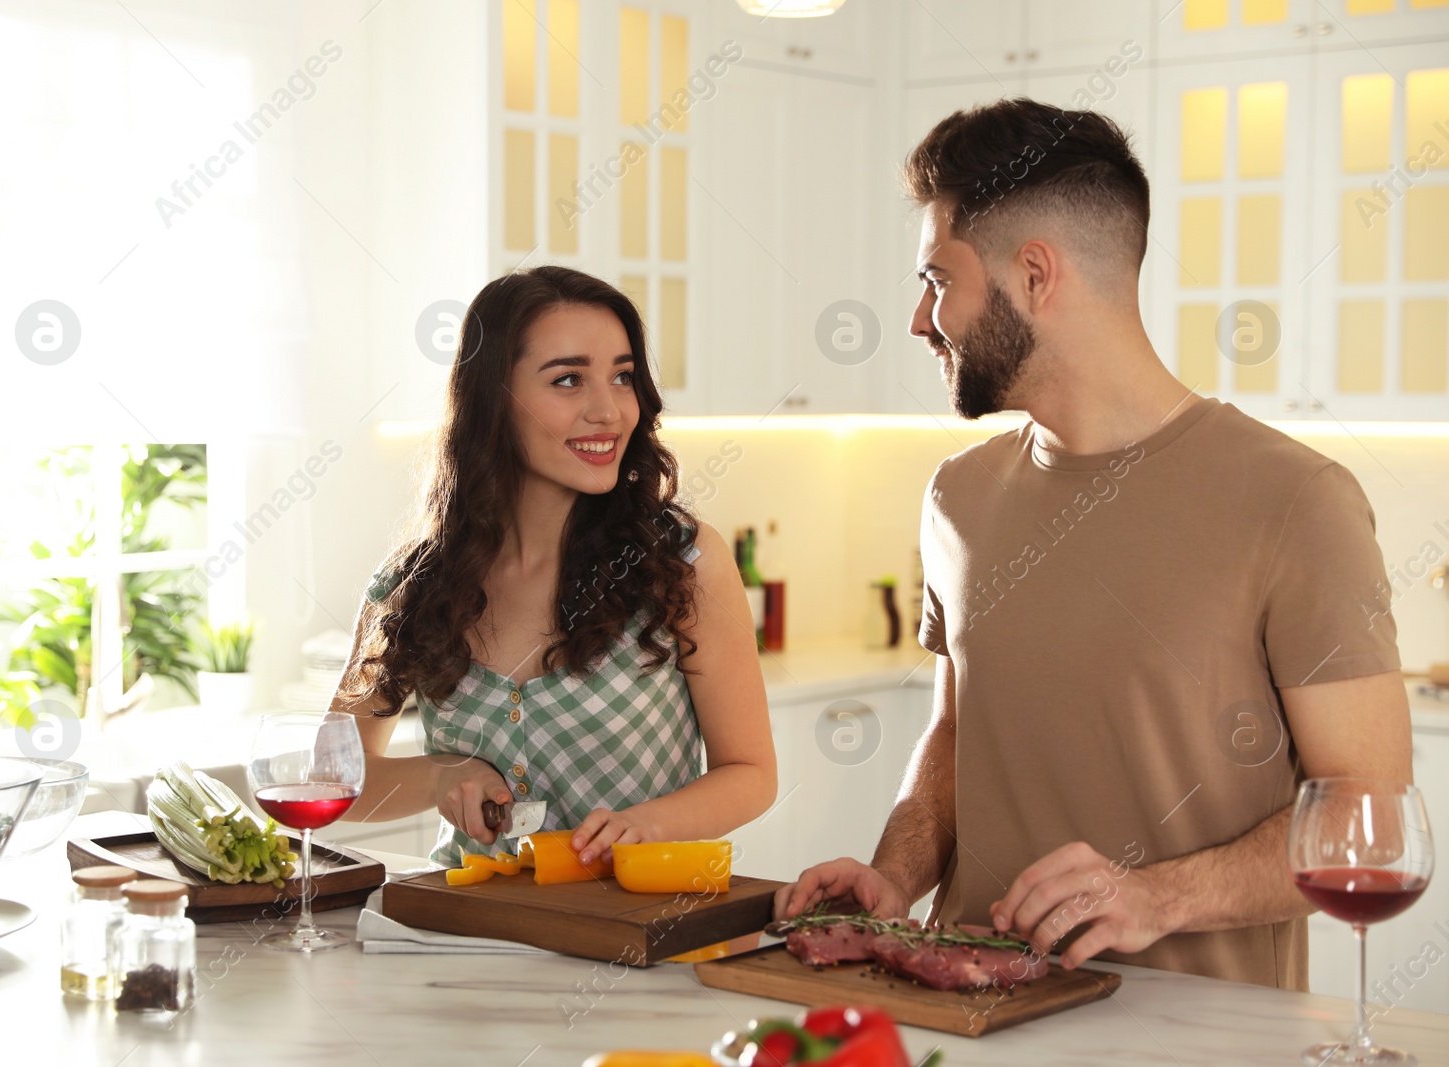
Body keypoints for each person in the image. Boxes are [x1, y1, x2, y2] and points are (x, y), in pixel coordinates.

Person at [774, 99, 1413, 989]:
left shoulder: (1296, 500)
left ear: (1035, 274)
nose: (922, 321)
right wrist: (895, 875)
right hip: (968, 1023)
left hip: (1201, 1042)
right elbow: (956, 735)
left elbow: (1369, 810)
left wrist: (1159, 897)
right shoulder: (957, 495)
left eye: (936, 280)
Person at [332, 265, 776, 870]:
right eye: (568, 379)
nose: (610, 411)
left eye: (622, 377)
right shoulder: (413, 583)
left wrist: (645, 825)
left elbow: (750, 773)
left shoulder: (682, 560)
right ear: (494, 399)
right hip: (469, 935)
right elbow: (334, 777)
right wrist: (441, 777)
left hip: (636, 939)